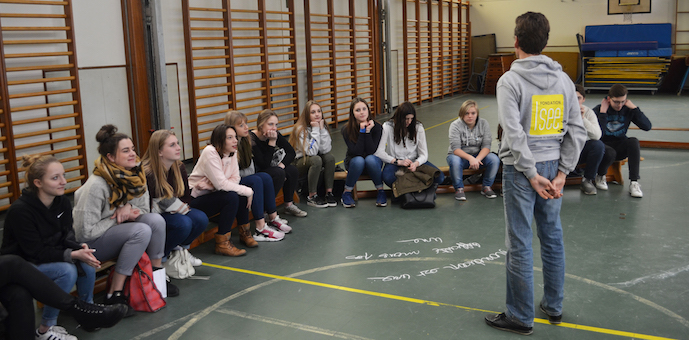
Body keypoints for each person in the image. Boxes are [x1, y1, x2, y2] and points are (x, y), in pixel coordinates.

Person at [484, 12, 586, 335]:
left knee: (519, 241)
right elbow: (576, 130)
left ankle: (519, 315)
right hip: (552, 167)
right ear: (545, 42)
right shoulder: (564, 81)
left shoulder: (509, 81)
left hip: (520, 170)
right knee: (552, 236)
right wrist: (561, 173)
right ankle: (553, 306)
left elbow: (513, 135)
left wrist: (530, 173)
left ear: (515, 41)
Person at [72, 124, 172, 317]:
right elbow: (84, 233)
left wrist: (128, 210)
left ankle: (156, 278)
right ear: (110, 157)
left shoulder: (135, 175)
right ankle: (114, 293)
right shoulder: (96, 185)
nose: (133, 154)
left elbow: (143, 209)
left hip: (117, 231)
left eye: (133, 149)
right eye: (126, 151)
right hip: (90, 245)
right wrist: (119, 216)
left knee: (156, 221)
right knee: (141, 231)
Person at [1, 155, 99, 340]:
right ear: (38, 182)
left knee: (88, 264)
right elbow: (35, 252)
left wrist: (79, 248)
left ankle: (87, 313)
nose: (63, 182)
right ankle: (46, 328)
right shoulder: (20, 211)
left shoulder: (61, 201)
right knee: (67, 271)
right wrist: (73, 254)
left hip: (49, 256)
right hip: (25, 265)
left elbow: (66, 235)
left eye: (63, 175)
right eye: (55, 178)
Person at [189, 125, 285, 255]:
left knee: (239, 191)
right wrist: (247, 191)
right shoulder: (210, 152)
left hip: (214, 192)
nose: (235, 141)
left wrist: (213, 186)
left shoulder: (232, 151)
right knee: (235, 195)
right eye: (230, 138)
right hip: (196, 198)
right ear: (219, 140)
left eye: (235, 137)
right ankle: (222, 243)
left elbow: (235, 178)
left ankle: (245, 232)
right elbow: (222, 184)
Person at [0, 254, 127, 339]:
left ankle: (81, 309)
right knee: (13, 264)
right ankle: (79, 309)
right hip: (34, 258)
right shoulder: (21, 214)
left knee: (18, 294)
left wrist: (75, 249)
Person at [141, 130, 208, 267]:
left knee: (200, 218)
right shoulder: (147, 173)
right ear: (159, 151)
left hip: (172, 210)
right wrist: (173, 206)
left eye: (177, 143)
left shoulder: (179, 167)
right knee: (183, 223)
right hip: (154, 215)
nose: (178, 148)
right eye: (172, 145)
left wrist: (176, 206)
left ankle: (180, 250)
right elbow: (147, 207)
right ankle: (161, 258)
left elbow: (186, 199)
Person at [224, 111, 292, 242]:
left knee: (264, 177)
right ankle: (260, 228)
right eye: (241, 125)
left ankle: (272, 218)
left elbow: (250, 167)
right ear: (231, 128)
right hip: (231, 181)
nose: (246, 127)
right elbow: (232, 174)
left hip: (243, 176)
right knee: (257, 179)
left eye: (246, 124)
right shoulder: (229, 145)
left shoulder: (245, 141)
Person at [593, 83, 652, 198]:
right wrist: (603, 113)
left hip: (620, 145)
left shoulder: (628, 110)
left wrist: (635, 109)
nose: (619, 105)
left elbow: (647, 126)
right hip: (603, 147)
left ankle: (634, 183)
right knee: (610, 152)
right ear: (609, 99)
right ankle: (600, 175)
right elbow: (598, 133)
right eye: (616, 102)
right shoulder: (598, 110)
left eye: (622, 101)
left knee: (633, 141)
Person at [374, 101, 445, 189]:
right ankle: (416, 187)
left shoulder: (418, 127)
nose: (409, 122)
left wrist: (415, 164)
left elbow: (424, 154)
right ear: (399, 117)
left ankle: (408, 188)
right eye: (406, 118)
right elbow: (379, 152)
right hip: (395, 162)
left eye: (411, 118)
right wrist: (398, 161)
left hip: (414, 161)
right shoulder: (387, 126)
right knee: (388, 178)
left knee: (440, 177)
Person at [251, 109, 307, 217]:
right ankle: (267, 210)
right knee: (279, 174)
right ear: (261, 125)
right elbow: (263, 164)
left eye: (276, 125)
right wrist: (272, 142)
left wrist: (282, 165)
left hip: (271, 167)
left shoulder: (274, 133)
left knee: (292, 170)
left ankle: (288, 204)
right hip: (258, 170)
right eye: (270, 124)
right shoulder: (252, 139)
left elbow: (291, 152)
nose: (274, 128)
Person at [446, 100, 500, 201]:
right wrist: (470, 158)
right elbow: (456, 149)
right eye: (467, 113)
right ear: (462, 114)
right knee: (455, 161)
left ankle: (486, 187)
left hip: (478, 156)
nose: (470, 116)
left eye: (473, 113)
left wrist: (477, 158)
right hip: (460, 156)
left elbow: (486, 146)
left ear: (477, 114)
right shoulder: (455, 125)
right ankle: (459, 189)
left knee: (494, 159)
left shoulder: (484, 124)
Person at [289, 100, 337, 208]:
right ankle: (312, 196)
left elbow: (326, 149)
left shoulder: (321, 126)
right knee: (316, 159)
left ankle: (329, 192)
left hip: (314, 156)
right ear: (307, 114)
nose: (317, 114)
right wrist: (316, 130)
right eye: (313, 112)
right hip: (299, 162)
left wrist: (322, 130)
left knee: (330, 158)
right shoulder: (300, 129)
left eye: (319, 111)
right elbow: (311, 152)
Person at [341, 97, 386, 208]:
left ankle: (380, 191)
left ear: (368, 110)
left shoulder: (377, 127)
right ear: (352, 113)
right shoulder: (346, 130)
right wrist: (362, 132)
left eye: (364, 109)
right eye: (357, 110)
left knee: (370, 158)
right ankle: (347, 192)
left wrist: (368, 131)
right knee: (360, 160)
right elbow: (357, 152)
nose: (362, 112)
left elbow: (372, 151)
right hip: (354, 162)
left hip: (373, 163)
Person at [574, 84, 607, 195]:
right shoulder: (559, 110)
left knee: (597, 145)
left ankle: (587, 180)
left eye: (578, 98)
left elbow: (596, 135)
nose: (574, 101)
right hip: (561, 150)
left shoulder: (588, 112)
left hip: (578, 151)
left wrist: (582, 119)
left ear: (583, 99)